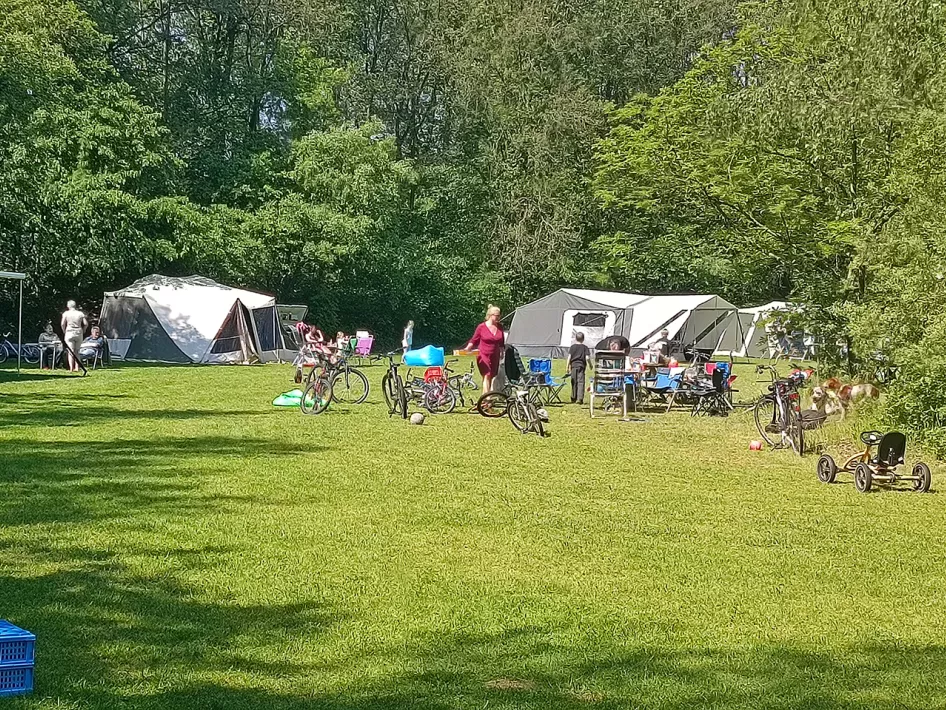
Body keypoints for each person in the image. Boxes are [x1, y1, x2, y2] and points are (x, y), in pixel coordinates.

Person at [464, 305, 505, 392]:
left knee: (491, 376)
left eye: (499, 315)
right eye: (496, 315)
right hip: (483, 354)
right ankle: (487, 399)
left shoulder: (500, 327)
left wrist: (502, 352)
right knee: (486, 374)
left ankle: (485, 398)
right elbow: (474, 339)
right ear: (490, 315)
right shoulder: (481, 327)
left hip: (495, 355)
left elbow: (501, 342)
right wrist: (468, 348)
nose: (498, 317)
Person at [60, 300, 87, 372]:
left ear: (68, 306)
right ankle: (77, 367)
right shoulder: (80, 313)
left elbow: (63, 324)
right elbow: (86, 323)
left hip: (69, 331)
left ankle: (71, 368)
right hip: (78, 331)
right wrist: (84, 330)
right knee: (77, 351)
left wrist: (64, 331)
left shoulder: (66, 313)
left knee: (70, 351)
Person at [567, 332, 591, 404]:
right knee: (580, 382)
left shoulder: (572, 347)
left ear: (575, 338)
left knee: (573, 381)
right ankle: (580, 399)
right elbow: (587, 358)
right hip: (581, 366)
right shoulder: (585, 347)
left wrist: (567, 366)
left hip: (573, 366)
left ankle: (573, 397)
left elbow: (569, 357)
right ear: (583, 339)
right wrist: (590, 364)